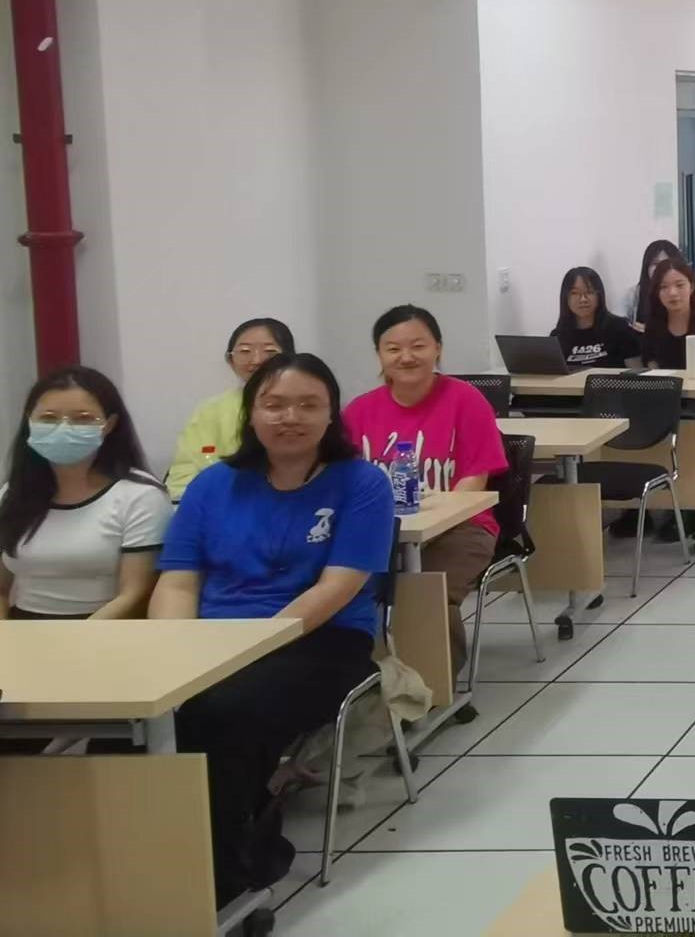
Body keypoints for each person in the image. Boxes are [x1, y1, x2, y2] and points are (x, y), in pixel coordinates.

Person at [152, 353, 396, 906]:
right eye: (275, 404)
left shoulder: (362, 483)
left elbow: (337, 587)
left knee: (218, 714)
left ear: (331, 414)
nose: (291, 417)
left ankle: (226, 869)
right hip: (214, 640)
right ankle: (150, 854)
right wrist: (170, 650)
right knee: (138, 720)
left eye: (309, 405)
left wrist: (248, 647)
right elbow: (178, 581)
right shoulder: (213, 485)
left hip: (321, 639)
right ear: (252, 412)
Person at [343, 305, 509, 662]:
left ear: (438, 348)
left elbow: (474, 479)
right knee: (339, 588)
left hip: (461, 528)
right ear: (379, 354)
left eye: (418, 346)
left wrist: (432, 526)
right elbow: (343, 482)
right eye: (393, 348)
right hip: (380, 533)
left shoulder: (466, 401)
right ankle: (364, 676)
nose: (406, 357)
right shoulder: (358, 412)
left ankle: (434, 681)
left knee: (424, 589)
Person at [0, 366, 170, 620]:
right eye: (48, 418)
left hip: (105, 628)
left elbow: (135, 593)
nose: (63, 428)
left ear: (110, 425)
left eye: (83, 418)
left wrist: (77, 637)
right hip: (24, 627)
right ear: (29, 421)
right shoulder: (12, 493)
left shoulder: (140, 496)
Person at [167, 317, 293, 499]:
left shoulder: (302, 406)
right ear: (230, 360)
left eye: (269, 351)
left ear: (290, 357)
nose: (256, 360)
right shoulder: (210, 409)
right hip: (217, 505)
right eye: (245, 351)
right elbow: (184, 470)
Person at [639, 258, 695, 370]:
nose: (672, 293)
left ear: (691, 287)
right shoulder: (653, 324)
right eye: (664, 287)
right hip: (666, 382)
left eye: (679, 285)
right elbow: (653, 371)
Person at [553, 267, 642, 370]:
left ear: (599, 295)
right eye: (575, 293)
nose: (583, 299)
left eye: (589, 292)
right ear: (565, 297)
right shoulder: (557, 337)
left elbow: (637, 373)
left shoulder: (620, 329)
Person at [625, 238, 682, 319]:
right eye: (655, 263)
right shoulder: (633, 294)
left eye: (665, 263)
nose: (660, 268)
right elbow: (624, 324)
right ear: (647, 267)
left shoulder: (685, 292)